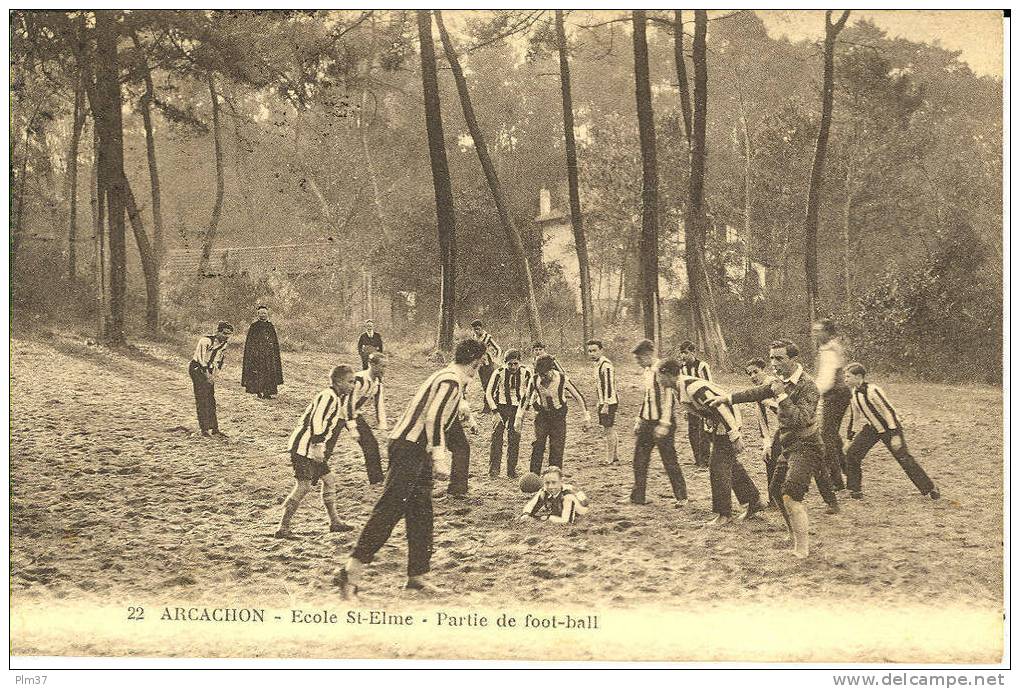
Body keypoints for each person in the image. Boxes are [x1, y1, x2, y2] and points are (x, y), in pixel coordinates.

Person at [335, 338, 487, 598]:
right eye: (481, 362)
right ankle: (350, 571)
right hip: (409, 447)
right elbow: (434, 417)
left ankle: (416, 576)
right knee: (390, 508)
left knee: (421, 513)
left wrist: (463, 412)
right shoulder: (450, 380)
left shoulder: (451, 378)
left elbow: (446, 407)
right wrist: (440, 457)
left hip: (417, 448)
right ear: (475, 361)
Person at [711, 340, 838, 559]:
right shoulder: (780, 381)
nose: (773, 363)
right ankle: (792, 534)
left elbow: (801, 418)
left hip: (807, 445)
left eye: (779, 358)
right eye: (771, 358)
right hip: (789, 445)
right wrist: (727, 398)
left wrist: (781, 396)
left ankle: (803, 548)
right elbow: (756, 392)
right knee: (776, 492)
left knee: (790, 494)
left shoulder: (808, 386)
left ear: (793, 359)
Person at [657, 359, 763, 525]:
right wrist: (708, 420)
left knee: (717, 466)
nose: (658, 380)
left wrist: (734, 435)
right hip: (718, 423)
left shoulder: (692, 387)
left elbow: (720, 407)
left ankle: (724, 514)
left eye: (659, 376)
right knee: (729, 464)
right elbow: (704, 410)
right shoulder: (677, 389)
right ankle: (753, 501)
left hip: (728, 420)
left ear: (668, 374)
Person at [275, 365, 357, 538]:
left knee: (329, 480)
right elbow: (316, 421)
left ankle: (334, 522)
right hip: (304, 448)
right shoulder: (327, 396)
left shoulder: (337, 397)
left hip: (313, 447)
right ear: (338, 381)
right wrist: (319, 446)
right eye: (350, 382)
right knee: (303, 487)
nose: (353, 385)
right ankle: (283, 528)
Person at [843, 363, 940, 501]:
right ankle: (854, 490)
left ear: (858, 377)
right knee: (852, 454)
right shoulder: (853, 393)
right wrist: (848, 440)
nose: (845, 379)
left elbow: (889, 411)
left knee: (904, 458)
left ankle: (930, 488)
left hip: (890, 427)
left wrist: (895, 435)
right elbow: (855, 417)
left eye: (848, 376)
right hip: (872, 429)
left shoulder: (872, 390)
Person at [628, 339, 688, 508]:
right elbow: (647, 398)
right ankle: (638, 496)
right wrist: (640, 419)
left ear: (648, 355)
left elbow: (668, 400)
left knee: (669, 460)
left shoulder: (662, 370)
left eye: (639, 358)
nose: (638, 362)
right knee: (639, 459)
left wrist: (664, 424)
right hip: (647, 422)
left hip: (662, 423)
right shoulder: (646, 372)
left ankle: (682, 497)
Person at [515, 354, 591, 475]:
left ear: (551, 370)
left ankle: (554, 477)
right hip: (542, 415)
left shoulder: (562, 379)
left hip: (558, 416)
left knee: (557, 447)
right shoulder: (534, 380)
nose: (542, 377)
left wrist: (586, 416)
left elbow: (578, 396)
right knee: (538, 444)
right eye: (540, 374)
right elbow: (526, 398)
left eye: (545, 374)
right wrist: (518, 418)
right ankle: (534, 476)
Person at [814, 317, 850, 491]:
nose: (815, 333)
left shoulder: (829, 350)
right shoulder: (828, 348)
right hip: (837, 395)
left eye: (819, 330)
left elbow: (827, 379)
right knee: (832, 435)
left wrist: (814, 392)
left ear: (827, 332)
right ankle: (848, 470)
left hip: (835, 395)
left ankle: (837, 480)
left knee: (826, 437)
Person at [485, 349, 532, 479]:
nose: (513, 367)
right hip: (501, 407)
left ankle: (511, 470)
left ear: (520, 362)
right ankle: (494, 470)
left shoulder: (526, 372)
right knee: (496, 437)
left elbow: (530, 392)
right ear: (505, 363)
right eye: (510, 364)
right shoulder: (498, 372)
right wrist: (494, 411)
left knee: (514, 438)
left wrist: (524, 409)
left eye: (516, 363)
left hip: (517, 408)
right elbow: (489, 393)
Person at [346, 352, 389, 485]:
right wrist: (352, 427)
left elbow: (379, 405)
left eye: (385, 366)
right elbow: (348, 403)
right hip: (339, 413)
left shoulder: (377, 383)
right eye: (381, 366)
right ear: (371, 364)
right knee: (327, 444)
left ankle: (376, 480)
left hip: (354, 414)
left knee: (371, 444)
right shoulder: (359, 379)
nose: (384, 370)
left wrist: (383, 427)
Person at [189, 321, 234, 438]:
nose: (226, 336)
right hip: (197, 368)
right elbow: (200, 358)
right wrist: (207, 375)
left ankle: (214, 428)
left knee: (211, 398)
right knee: (202, 397)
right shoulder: (205, 341)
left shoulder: (224, 344)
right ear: (218, 332)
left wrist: (213, 375)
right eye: (224, 333)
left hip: (208, 370)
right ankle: (204, 428)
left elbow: (217, 361)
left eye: (229, 334)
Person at [745, 358, 781, 504]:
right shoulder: (758, 391)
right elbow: (762, 420)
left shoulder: (773, 383)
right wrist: (766, 443)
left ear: (763, 370)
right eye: (749, 374)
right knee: (770, 457)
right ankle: (774, 500)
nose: (753, 376)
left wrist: (769, 403)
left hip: (788, 427)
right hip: (774, 431)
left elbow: (785, 408)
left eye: (755, 372)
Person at [679, 341, 713, 468]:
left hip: (703, 403)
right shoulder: (682, 368)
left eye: (686, 353)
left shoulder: (702, 366)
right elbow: (683, 388)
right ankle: (698, 459)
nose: (683, 356)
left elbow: (708, 385)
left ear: (693, 352)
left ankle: (705, 460)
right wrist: (685, 408)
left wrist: (708, 406)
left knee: (703, 432)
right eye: (681, 353)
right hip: (691, 404)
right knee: (692, 431)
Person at [586, 339, 620, 465]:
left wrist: (605, 404)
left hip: (609, 401)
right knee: (609, 428)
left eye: (594, 350)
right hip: (603, 401)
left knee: (608, 430)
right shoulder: (597, 364)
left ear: (601, 350)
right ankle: (614, 456)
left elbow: (609, 386)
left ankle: (609, 458)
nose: (592, 354)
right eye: (589, 351)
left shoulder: (606, 365)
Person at [520, 467, 590, 524]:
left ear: (561, 482)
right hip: (561, 504)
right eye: (547, 483)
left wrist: (543, 518)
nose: (550, 486)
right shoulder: (544, 490)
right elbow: (531, 505)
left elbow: (566, 521)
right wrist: (526, 514)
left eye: (554, 482)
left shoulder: (568, 495)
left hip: (579, 507)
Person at [241, 305, 284, 399]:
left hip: (269, 356)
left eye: (265, 313)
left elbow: (274, 341)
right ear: (258, 314)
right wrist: (253, 353)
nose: (263, 315)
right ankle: (258, 392)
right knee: (258, 373)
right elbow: (250, 342)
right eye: (261, 313)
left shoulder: (270, 326)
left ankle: (267, 393)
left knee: (269, 373)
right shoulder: (254, 326)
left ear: (267, 314)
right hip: (257, 355)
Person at [472, 319, 502, 412]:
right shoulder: (474, 337)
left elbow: (498, 349)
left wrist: (496, 359)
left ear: (481, 328)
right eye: (474, 329)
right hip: (480, 364)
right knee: (484, 385)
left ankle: (490, 405)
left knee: (490, 384)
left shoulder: (487, 337)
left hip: (488, 364)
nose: (476, 331)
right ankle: (488, 405)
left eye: (478, 329)